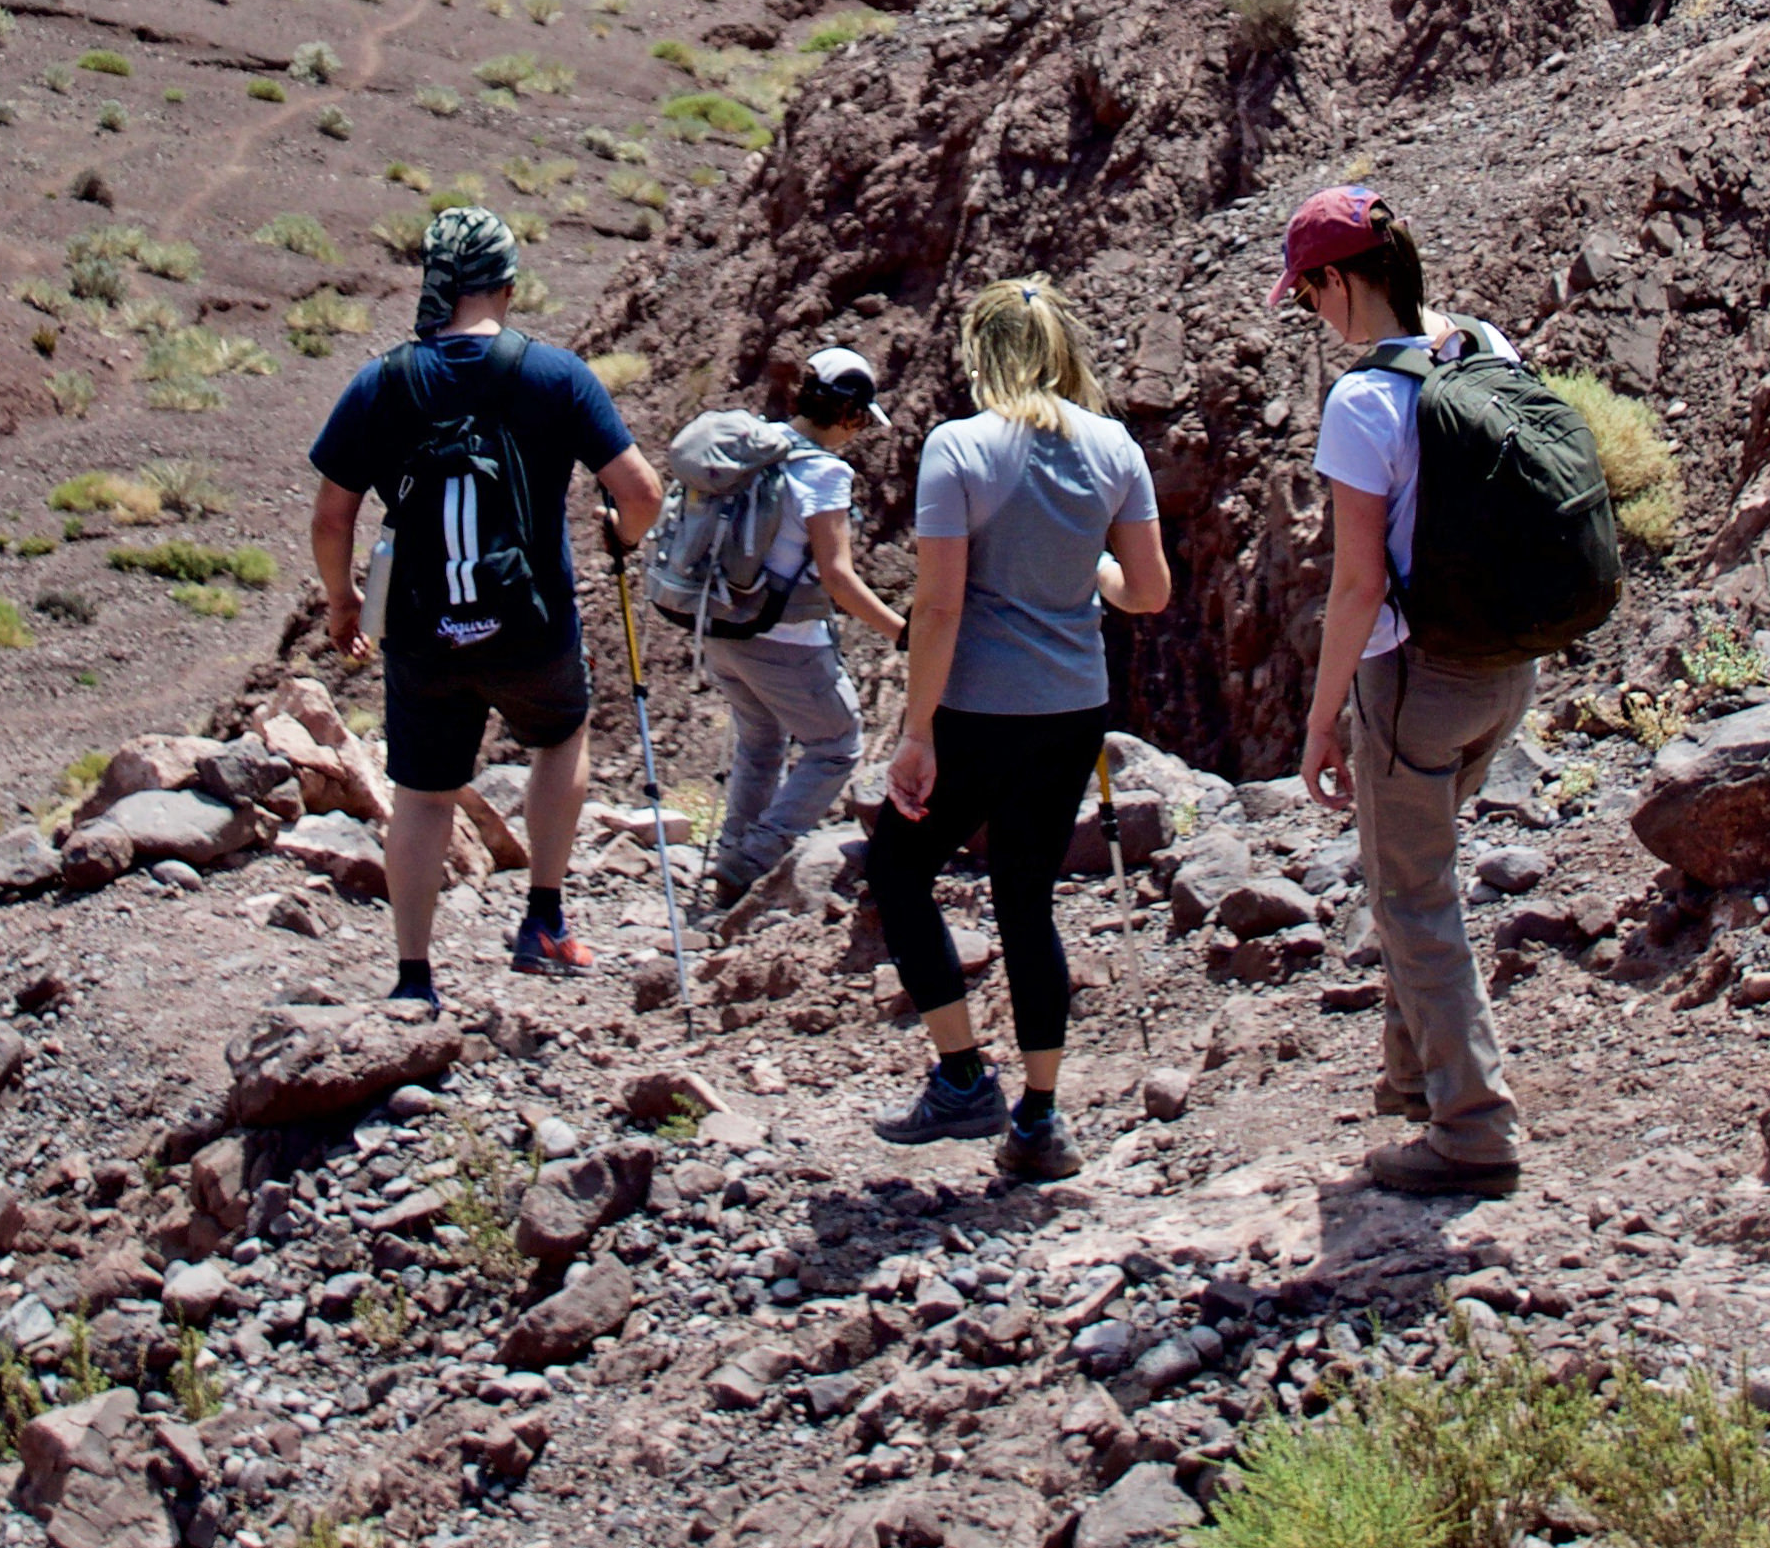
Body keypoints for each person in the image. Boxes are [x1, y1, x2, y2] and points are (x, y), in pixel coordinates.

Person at [308, 204, 664, 1005]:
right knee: (560, 734)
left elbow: (333, 515)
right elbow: (641, 494)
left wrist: (343, 601)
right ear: (506, 282)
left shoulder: (384, 380)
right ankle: (543, 920)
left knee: (424, 794)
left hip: (421, 630)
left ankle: (412, 979)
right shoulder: (555, 374)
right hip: (530, 622)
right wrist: (620, 533)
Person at [868, 277, 1171, 1180]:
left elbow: (940, 601)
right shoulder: (1115, 446)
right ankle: (1040, 1119)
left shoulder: (957, 447)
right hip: (1072, 705)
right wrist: (1098, 572)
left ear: (981, 356)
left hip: (977, 710)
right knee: (1026, 896)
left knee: (899, 869)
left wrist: (916, 730)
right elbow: (1148, 591)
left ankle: (962, 1073)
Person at [1282, 184, 1532, 1198]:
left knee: (1412, 894)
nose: (1312, 317)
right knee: (1408, 870)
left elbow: (1356, 582)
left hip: (1414, 679)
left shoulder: (1362, 398)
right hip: (1506, 666)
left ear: (1343, 279)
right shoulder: (1486, 342)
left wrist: (1321, 717)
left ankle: (1472, 1126)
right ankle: (1411, 1079)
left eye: (1308, 296)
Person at [700, 348, 906, 917]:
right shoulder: (824, 472)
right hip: (783, 639)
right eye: (862, 418)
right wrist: (902, 632)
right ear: (849, 415)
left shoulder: (759, 446)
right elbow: (837, 577)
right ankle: (753, 860)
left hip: (720, 628)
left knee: (761, 742)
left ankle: (731, 865)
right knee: (838, 745)